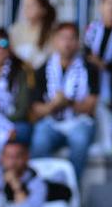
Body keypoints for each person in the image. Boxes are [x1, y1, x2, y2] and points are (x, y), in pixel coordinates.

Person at [29, 22, 100, 179]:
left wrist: (68, 102)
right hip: (51, 122)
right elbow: (36, 109)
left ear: (78, 42)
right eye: (63, 38)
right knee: (39, 139)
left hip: (79, 122)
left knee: (80, 140)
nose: (67, 43)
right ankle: (39, 186)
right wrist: (54, 105)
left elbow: (90, 107)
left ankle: (71, 189)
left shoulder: (90, 69)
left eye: (72, 38)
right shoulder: (42, 69)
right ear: (55, 41)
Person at [9, 0, 56, 70]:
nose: (27, 9)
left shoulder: (53, 32)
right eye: (25, 5)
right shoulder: (15, 30)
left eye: (32, 5)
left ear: (43, 9)